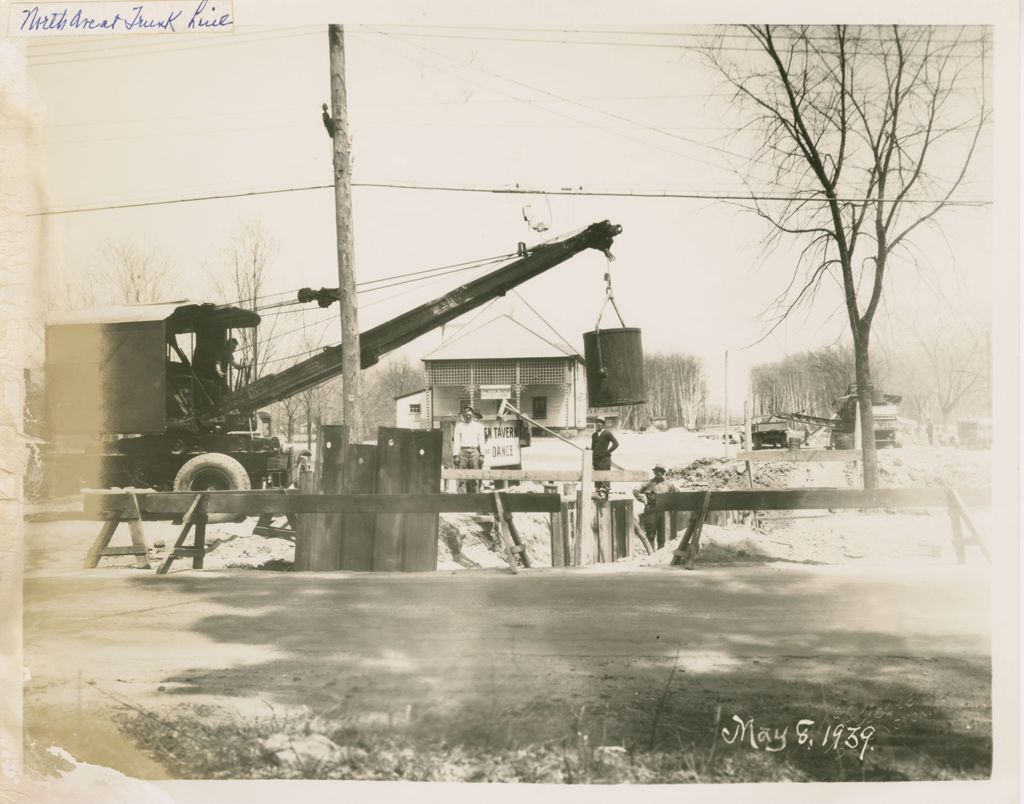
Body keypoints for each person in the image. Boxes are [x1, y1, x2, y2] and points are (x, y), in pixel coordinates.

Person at [633, 464, 677, 550]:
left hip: (663, 512)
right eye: (657, 471)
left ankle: (659, 554)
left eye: (661, 471)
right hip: (651, 511)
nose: (658, 473)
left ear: (663, 473)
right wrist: (644, 500)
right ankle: (651, 554)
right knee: (650, 534)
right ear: (654, 472)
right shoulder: (648, 483)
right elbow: (635, 491)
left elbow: (674, 496)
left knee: (662, 534)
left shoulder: (669, 485)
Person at [453, 407, 486, 493]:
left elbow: (482, 440)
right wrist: (455, 455)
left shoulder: (479, 426)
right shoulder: (459, 426)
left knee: (474, 477)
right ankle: (462, 499)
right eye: (466, 415)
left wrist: (482, 455)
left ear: (473, 415)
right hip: (462, 452)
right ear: (463, 415)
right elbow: (456, 441)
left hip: (474, 452)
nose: (468, 416)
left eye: (469, 414)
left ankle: (475, 498)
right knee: (461, 477)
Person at [591, 416, 619, 499]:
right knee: (597, 480)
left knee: (605, 479)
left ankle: (606, 497)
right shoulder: (594, 435)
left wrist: (608, 451)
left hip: (604, 461)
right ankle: (598, 494)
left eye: (601, 422)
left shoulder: (607, 433)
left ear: (603, 424)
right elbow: (593, 448)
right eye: (597, 422)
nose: (599, 424)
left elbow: (616, 444)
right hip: (596, 461)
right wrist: (592, 459)